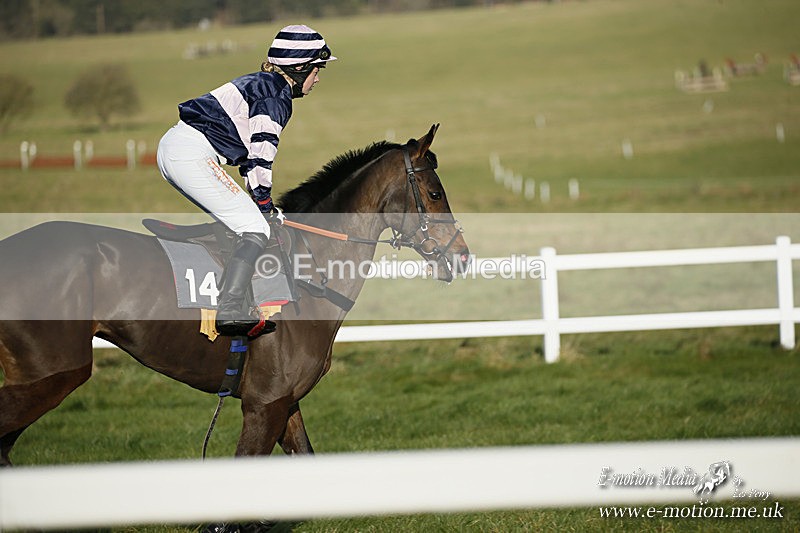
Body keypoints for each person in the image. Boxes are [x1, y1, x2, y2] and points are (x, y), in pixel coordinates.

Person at [157, 24, 336, 337]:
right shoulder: (276, 98)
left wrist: (262, 202)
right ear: (299, 68)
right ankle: (230, 309)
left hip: (181, 148)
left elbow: (250, 159)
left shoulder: (265, 85)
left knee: (249, 221)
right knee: (255, 227)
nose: (318, 78)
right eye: (316, 70)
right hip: (191, 154)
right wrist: (265, 204)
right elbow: (259, 159)